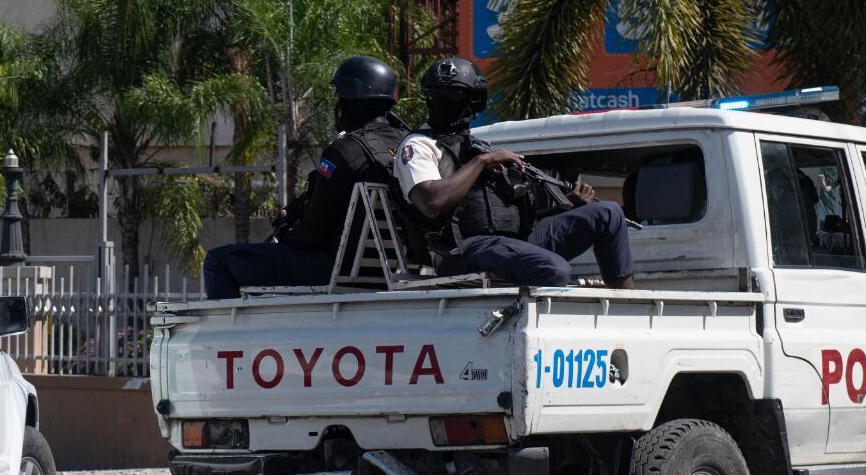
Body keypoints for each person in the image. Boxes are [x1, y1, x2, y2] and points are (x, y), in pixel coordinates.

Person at [395, 56, 635, 289]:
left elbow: (502, 216)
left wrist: (564, 207)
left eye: (454, 94)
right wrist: (482, 161)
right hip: (460, 249)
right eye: (437, 93)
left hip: (512, 242)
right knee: (554, 269)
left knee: (609, 213)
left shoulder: (475, 145)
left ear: (475, 100)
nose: (445, 100)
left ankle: (627, 312)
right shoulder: (418, 145)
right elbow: (431, 202)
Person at [203, 56, 410, 299]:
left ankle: (234, 337)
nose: (337, 104)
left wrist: (284, 233)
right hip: (389, 270)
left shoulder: (345, 151)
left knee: (219, 261)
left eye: (340, 97)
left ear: (352, 99)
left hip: (331, 268)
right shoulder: (407, 144)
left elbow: (312, 232)